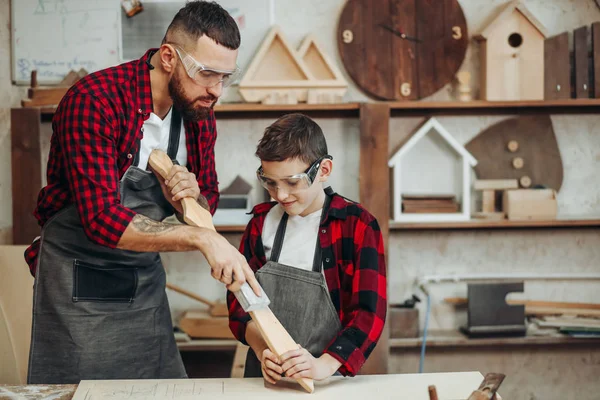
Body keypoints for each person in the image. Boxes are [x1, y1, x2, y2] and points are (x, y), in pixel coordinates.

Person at [24, 1, 260, 384]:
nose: (216, 91)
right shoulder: (94, 100)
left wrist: (190, 198)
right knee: (79, 391)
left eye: (225, 77)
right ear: (168, 57)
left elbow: (208, 200)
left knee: (157, 387)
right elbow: (101, 220)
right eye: (207, 74)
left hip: (142, 279)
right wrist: (200, 238)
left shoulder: (197, 107)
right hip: (77, 277)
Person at [227, 114, 387, 382]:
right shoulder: (260, 223)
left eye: (292, 182)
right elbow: (240, 304)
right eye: (270, 182)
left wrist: (322, 366)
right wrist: (264, 349)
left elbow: (368, 314)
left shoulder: (357, 225)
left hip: (331, 377)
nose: (281, 195)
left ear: (323, 170)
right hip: (267, 375)